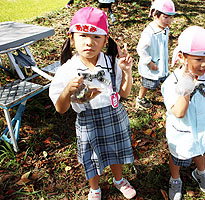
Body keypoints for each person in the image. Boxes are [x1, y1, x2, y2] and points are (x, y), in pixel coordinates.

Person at [49, 7, 136, 200]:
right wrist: (67, 91)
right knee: (91, 158)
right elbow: (60, 109)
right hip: (88, 122)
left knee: (115, 152)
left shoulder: (112, 63)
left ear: (105, 40)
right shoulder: (67, 70)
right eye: (83, 36)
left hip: (114, 116)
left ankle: (118, 179)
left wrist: (128, 72)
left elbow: (124, 94)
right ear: (72, 38)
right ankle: (94, 188)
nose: (89, 42)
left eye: (97, 37)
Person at [161, 26, 205, 200]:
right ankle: (175, 179)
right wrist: (186, 87)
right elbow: (180, 113)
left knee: (200, 151)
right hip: (182, 133)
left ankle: (200, 172)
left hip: (202, 129)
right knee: (177, 158)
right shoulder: (171, 82)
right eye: (198, 58)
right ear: (182, 57)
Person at [136, 0, 176, 109]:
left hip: (162, 64)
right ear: (155, 15)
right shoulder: (149, 32)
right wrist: (149, 62)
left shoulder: (165, 29)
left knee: (168, 82)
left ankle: (171, 98)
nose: (169, 21)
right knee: (148, 84)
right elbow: (140, 49)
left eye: (171, 17)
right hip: (152, 66)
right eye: (165, 17)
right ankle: (140, 98)